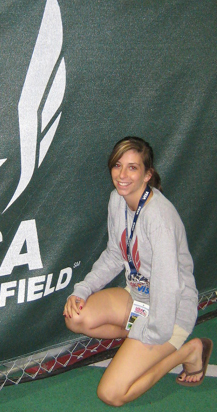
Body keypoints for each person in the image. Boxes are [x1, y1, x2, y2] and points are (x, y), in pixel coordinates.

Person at [63, 136, 213, 407]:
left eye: (133, 168)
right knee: (76, 317)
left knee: (111, 394)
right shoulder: (117, 200)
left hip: (170, 313)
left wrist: (152, 334)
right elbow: (113, 254)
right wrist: (83, 289)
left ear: (148, 175)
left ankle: (188, 351)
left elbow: (168, 288)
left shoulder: (159, 219)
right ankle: (139, 341)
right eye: (118, 165)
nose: (122, 175)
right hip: (138, 298)